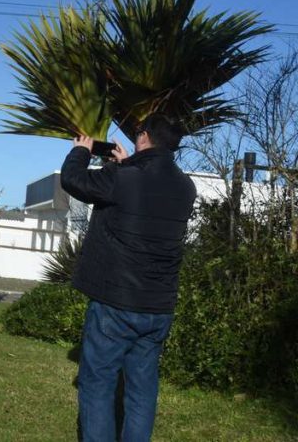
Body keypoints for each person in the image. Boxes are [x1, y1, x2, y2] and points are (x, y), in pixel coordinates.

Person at [60, 114, 196, 442]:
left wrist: (82, 150)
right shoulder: (185, 186)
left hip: (116, 304)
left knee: (97, 384)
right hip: (159, 306)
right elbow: (146, 197)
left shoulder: (124, 178)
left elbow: (73, 180)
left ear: (144, 136)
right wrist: (126, 163)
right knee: (141, 390)